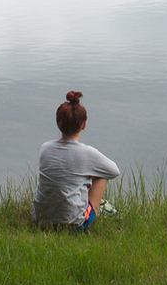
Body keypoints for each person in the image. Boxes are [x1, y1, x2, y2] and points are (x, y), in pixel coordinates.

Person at [33, 90, 120, 229]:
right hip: (74, 225)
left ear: (58, 123)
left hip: (40, 221)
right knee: (102, 176)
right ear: (84, 125)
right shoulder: (87, 153)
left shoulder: (45, 148)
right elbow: (114, 171)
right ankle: (95, 209)